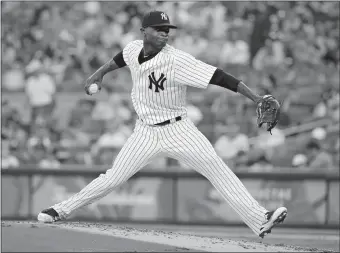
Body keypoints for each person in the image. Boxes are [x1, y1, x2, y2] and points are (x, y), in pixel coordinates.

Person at [37, 11, 287, 238]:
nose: (164, 33)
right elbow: (119, 59)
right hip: (144, 131)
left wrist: (255, 97)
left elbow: (219, 76)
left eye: (167, 30)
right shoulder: (134, 49)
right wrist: (98, 74)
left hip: (179, 129)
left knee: (217, 169)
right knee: (112, 179)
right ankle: (60, 210)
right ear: (144, 31)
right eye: (158, 29)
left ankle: (260, 218)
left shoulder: (177, 60)